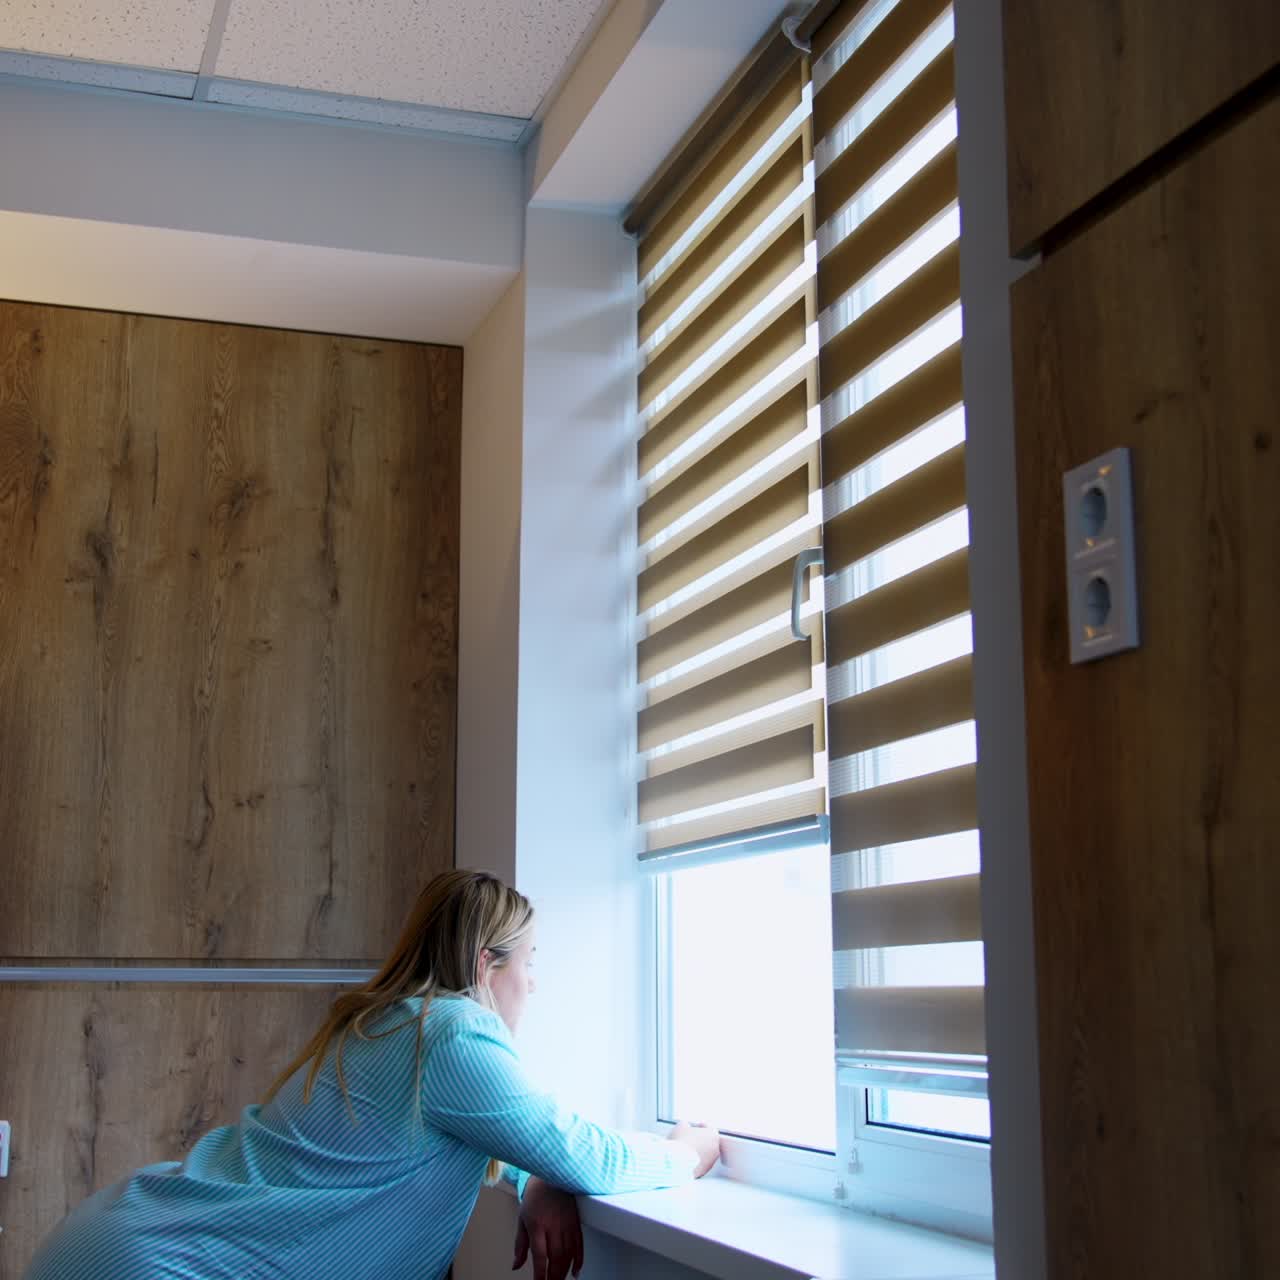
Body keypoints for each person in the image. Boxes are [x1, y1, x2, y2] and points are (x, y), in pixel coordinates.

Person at [25, 870, 721, 1280]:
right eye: (530, 961)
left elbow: (454, 1137)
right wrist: (686, 1153)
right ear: (486, 965)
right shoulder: (451, 1031)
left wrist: (529, 1173)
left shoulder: (384, 1023)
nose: (535, 985)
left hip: (114, 1241)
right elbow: (582, 1151)